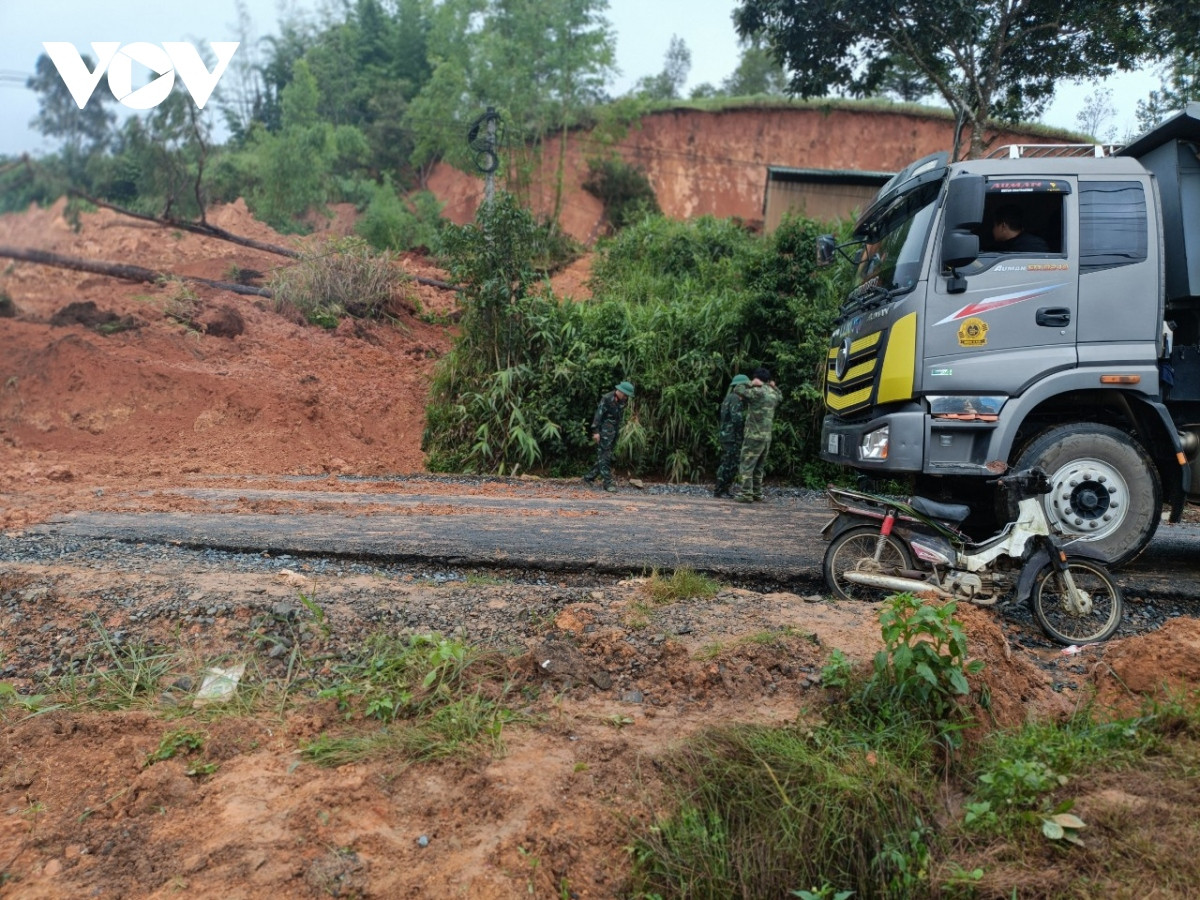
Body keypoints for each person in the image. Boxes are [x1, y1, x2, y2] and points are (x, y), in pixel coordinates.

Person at [732, 367, 782, 502]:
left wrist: (751, 383)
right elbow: (780, 397)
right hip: (766, 437)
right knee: (759, 467)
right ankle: (757, 493)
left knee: (747, 465)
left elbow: (737, 389)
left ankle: (746, 494)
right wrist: (774, 387)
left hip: (753, 436)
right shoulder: (773, 393)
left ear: (757, 378)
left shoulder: (757, 392)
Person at [583, 380, 634, 492]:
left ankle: (588, 478)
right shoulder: (607, 398)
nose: (626, 397)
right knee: (605, 456)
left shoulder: (622, 400)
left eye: (627, 395)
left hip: (614, 431)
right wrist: (596, 432)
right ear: (619, 391)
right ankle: (607, 483)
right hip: (604, 432)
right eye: (625, 394)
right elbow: (598, 415)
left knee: (605, 455)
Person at [713, 373, 750, 497]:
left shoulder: (729, 397)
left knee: (728, 463)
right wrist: (742, 434)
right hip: (731, 436)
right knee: (729, 464)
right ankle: (720, 489)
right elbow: (737, 419)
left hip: (727, 435)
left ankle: (722, 489)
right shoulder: (735, 398)